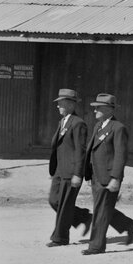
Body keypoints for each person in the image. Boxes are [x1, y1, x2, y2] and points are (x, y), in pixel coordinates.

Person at [82, 94, 133, 255]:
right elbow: (92, 151)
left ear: (109, 109)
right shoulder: (98, 126)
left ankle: (96, 246)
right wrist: (88, 174)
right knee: (103, 208)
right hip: (96, 175)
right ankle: (128, 225)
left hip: (108, 176)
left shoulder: (118, 128)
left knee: (101, 211)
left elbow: (121, 155)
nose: (95, 110)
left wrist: (116, 178)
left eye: (98, 107)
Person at [47, 88, 92, 247]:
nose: (58, 106)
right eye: (58, 103)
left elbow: (81, 151)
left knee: (64, 205)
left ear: (71, 105)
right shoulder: (63, 121)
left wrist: (78, 174)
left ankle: (60, 238)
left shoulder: (78, 123)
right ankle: (82, 216)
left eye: (61, 103)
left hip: (71, 171)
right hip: (59, 170)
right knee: (53, 201)